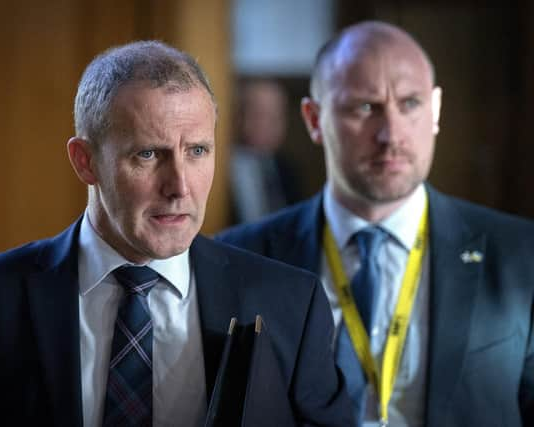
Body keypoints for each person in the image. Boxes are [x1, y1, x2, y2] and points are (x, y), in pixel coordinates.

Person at [0, 41, 353, 427]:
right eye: (148, 154)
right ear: (86, 161)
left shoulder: (291, 303)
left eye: (197, 151)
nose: (180, 186)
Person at [217, 21, 534, 427]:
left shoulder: (519, 255)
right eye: (365, 107)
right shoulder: (240, 260)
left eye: (410, 104)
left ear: (435, 110)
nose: (391, 134)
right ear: (314, 119)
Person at [229, 78, 301, 223]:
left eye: (276, 116)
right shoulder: (220, 168)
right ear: (239, 115)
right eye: (260, 114)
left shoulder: (287, 169)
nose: (269, 125)